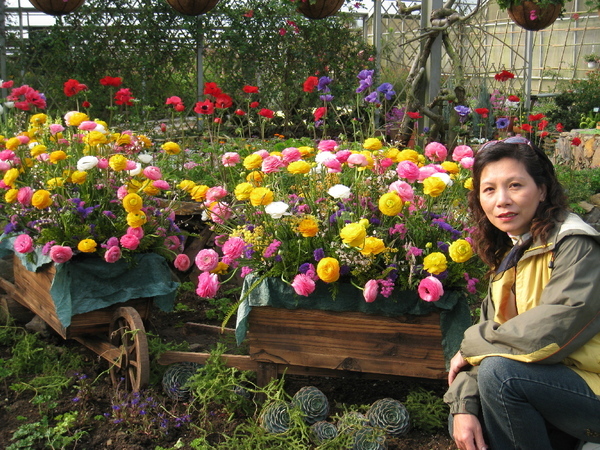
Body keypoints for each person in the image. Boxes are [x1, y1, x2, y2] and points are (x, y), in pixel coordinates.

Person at [444, 137, 600, 450]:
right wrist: (463, 406)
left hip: (589, 387)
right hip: (549, 385)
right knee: (469, 412)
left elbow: (548, 335)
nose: (501, 200)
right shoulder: (514, 254)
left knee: (500, 375)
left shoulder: (575, 244)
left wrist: (469, 346)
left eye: (515, 185)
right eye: (489, 189)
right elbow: (494, 342)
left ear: (542, 190)